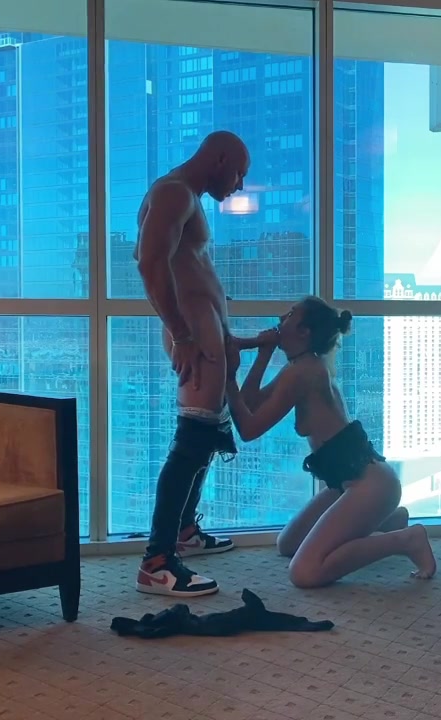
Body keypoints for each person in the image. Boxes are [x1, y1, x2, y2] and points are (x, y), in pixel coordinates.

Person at [225, 297, 438, 588]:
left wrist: (228, 377)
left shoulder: (303, 373)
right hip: (348, 482)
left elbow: (249, 429)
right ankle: (389, 521)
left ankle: (406, 540)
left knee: (304, 572)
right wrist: (264, 353)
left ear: (304, 331)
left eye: (290, 314)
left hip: (370, 485)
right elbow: (250, 403)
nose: (281, 317)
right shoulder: (302, 365)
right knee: (288, 544)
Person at [134, 130, 262, 598]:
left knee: (205, 433)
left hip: (204, 329)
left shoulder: (187, 195)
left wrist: (221, 327)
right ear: (220, 158)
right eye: (240, 173)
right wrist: (184, 334)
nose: (240, 185)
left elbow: (191, 268)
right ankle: (156, 563)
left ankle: (185, 531)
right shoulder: (173, 192)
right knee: (191, 440)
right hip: (193, 332)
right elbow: (149, 262)